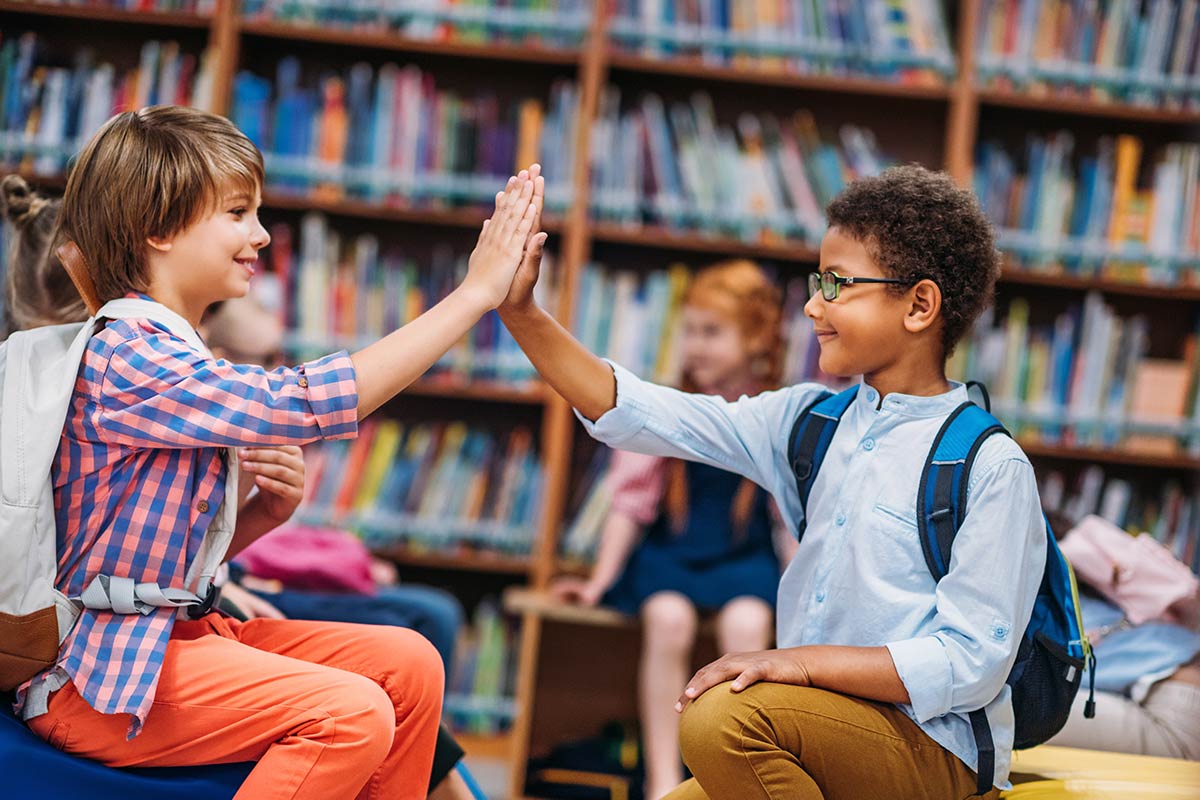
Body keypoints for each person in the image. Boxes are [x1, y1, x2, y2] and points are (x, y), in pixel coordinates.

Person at [6, 105, 540, 800]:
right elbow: (300, 402)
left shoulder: (168, 349)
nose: (259, 236)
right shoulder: (129, 354)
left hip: (167, 642)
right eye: (237, 213)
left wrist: (264, 514)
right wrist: (474, 297)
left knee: (411, 663)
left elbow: (139, 565)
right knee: (349, 717)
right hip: (96, 680)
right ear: (158, 229)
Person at [500, 164, 1043, 799]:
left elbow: (970, 662)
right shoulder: (807, 422)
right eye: (819, 281)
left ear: (919, 305)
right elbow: (645, 413)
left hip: (930, 749)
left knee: (719, 719)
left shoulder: (990, 465)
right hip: (807, 725)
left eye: (838, 284)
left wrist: (796, 664)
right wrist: (522, 315)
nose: (813, 304)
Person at [551, 260, 795, 799]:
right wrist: (598, 581)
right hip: (673, 557)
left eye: (712, 332)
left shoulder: (777, 413)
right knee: (668, 619)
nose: (696, 346)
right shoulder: (669, 405)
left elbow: (789, 524)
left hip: (742, 560)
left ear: (755, 338)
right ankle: (664, 778)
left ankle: (721, 779)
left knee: (748, 626)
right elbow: (629, 505)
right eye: (689, 331)